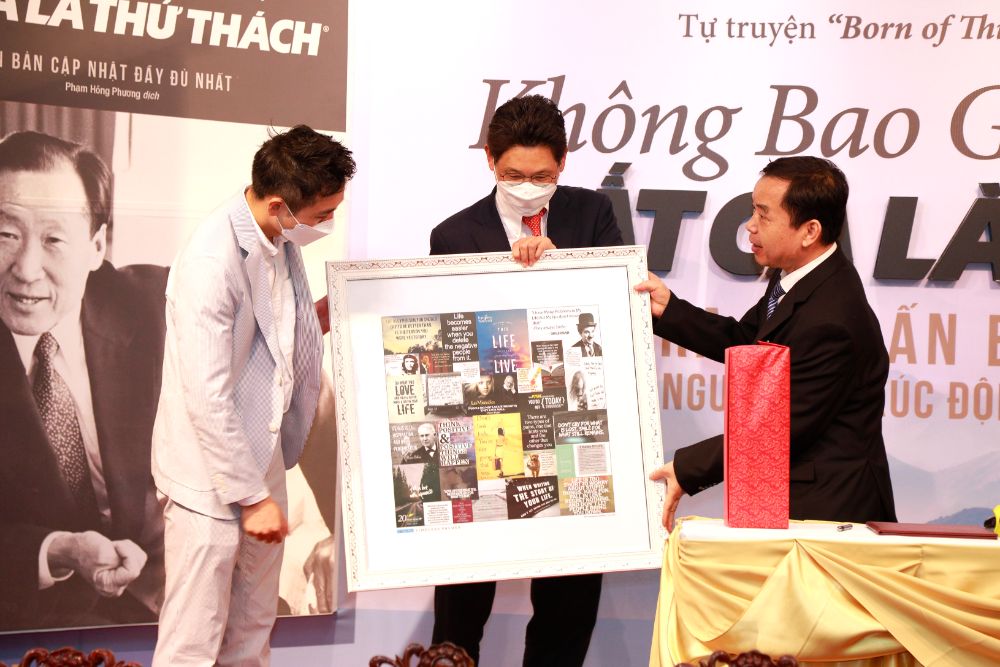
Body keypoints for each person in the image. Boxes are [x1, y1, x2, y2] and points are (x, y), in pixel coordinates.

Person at [429, 94, 622, 667]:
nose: (528, 187)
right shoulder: (453, 235)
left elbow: (615, 308)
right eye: (514, 175)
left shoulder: (593, 214)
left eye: (542, 176)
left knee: (569, 605)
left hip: (572, 432)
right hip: (483, 434)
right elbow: (448, 343)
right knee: (460, 607)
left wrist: (559, 267)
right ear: (490, 160)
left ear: (563, 163)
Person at [150, 125, 355, 666]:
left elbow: (269, 335)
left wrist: (320, 317)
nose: (328, 224)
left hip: (262, 462)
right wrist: (251, 497)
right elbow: (207, 394)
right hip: (209, 476)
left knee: (252, 632)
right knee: (192, 644)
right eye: (322, 215)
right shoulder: (210, 263)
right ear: (281, 206)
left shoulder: (275, 237)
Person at [636, 156, 897, 531]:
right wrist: (669, 310)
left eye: (764, 215)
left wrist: (687, 468)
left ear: (809, 231)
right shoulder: (802, 275)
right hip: (800, 504)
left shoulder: (832, 319)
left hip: (832, 515)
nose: (750, 225)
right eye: (752, 211)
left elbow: (782, 429)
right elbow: (748, 341)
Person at [0, 130, 167, 631]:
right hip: (34, 620)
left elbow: (304, 379)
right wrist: (59, 549)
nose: (26, 270)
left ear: (96, 247)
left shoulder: (160, 306)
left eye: (54, 239)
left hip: (176, 594)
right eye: (5, 235)